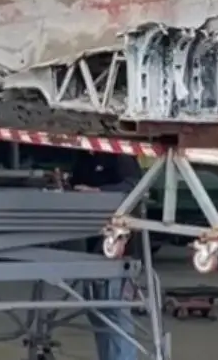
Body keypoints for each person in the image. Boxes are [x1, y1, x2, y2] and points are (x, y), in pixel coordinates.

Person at [68, 151, 143, 360]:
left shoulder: (119, 155)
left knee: (116, 312)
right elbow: (76, 184)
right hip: (94, 249)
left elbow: (135, 185)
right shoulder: (84, 158)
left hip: (120, 249)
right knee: (97, 313)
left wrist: (99, 191)